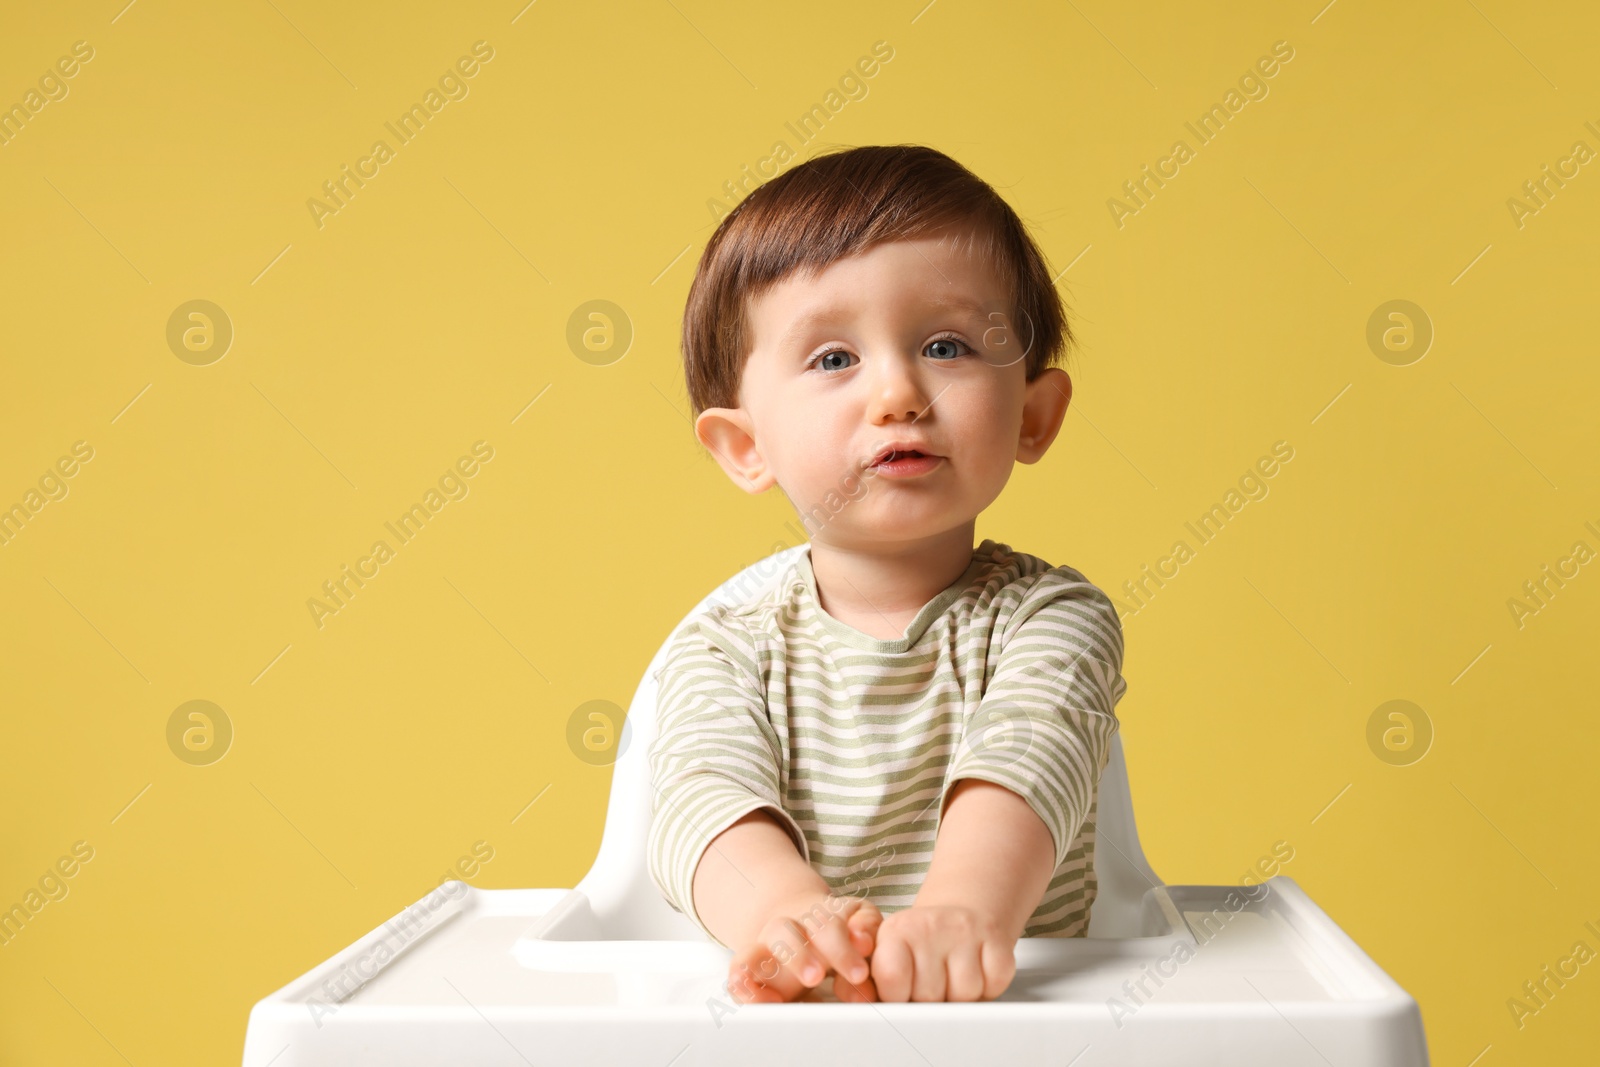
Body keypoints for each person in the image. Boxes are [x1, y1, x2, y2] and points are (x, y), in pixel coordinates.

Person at [648, 143, 1128, 1005]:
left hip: (1020, 1031)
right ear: (746, 445)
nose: (900, 392)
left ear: (1032, 413)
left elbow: (1032, 750)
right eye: (834, 358)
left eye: (947, 344)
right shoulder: (722, 646)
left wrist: (963, 910)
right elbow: (701, 797)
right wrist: (790, 920)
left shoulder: (1053, 617)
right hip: (802, 1026)